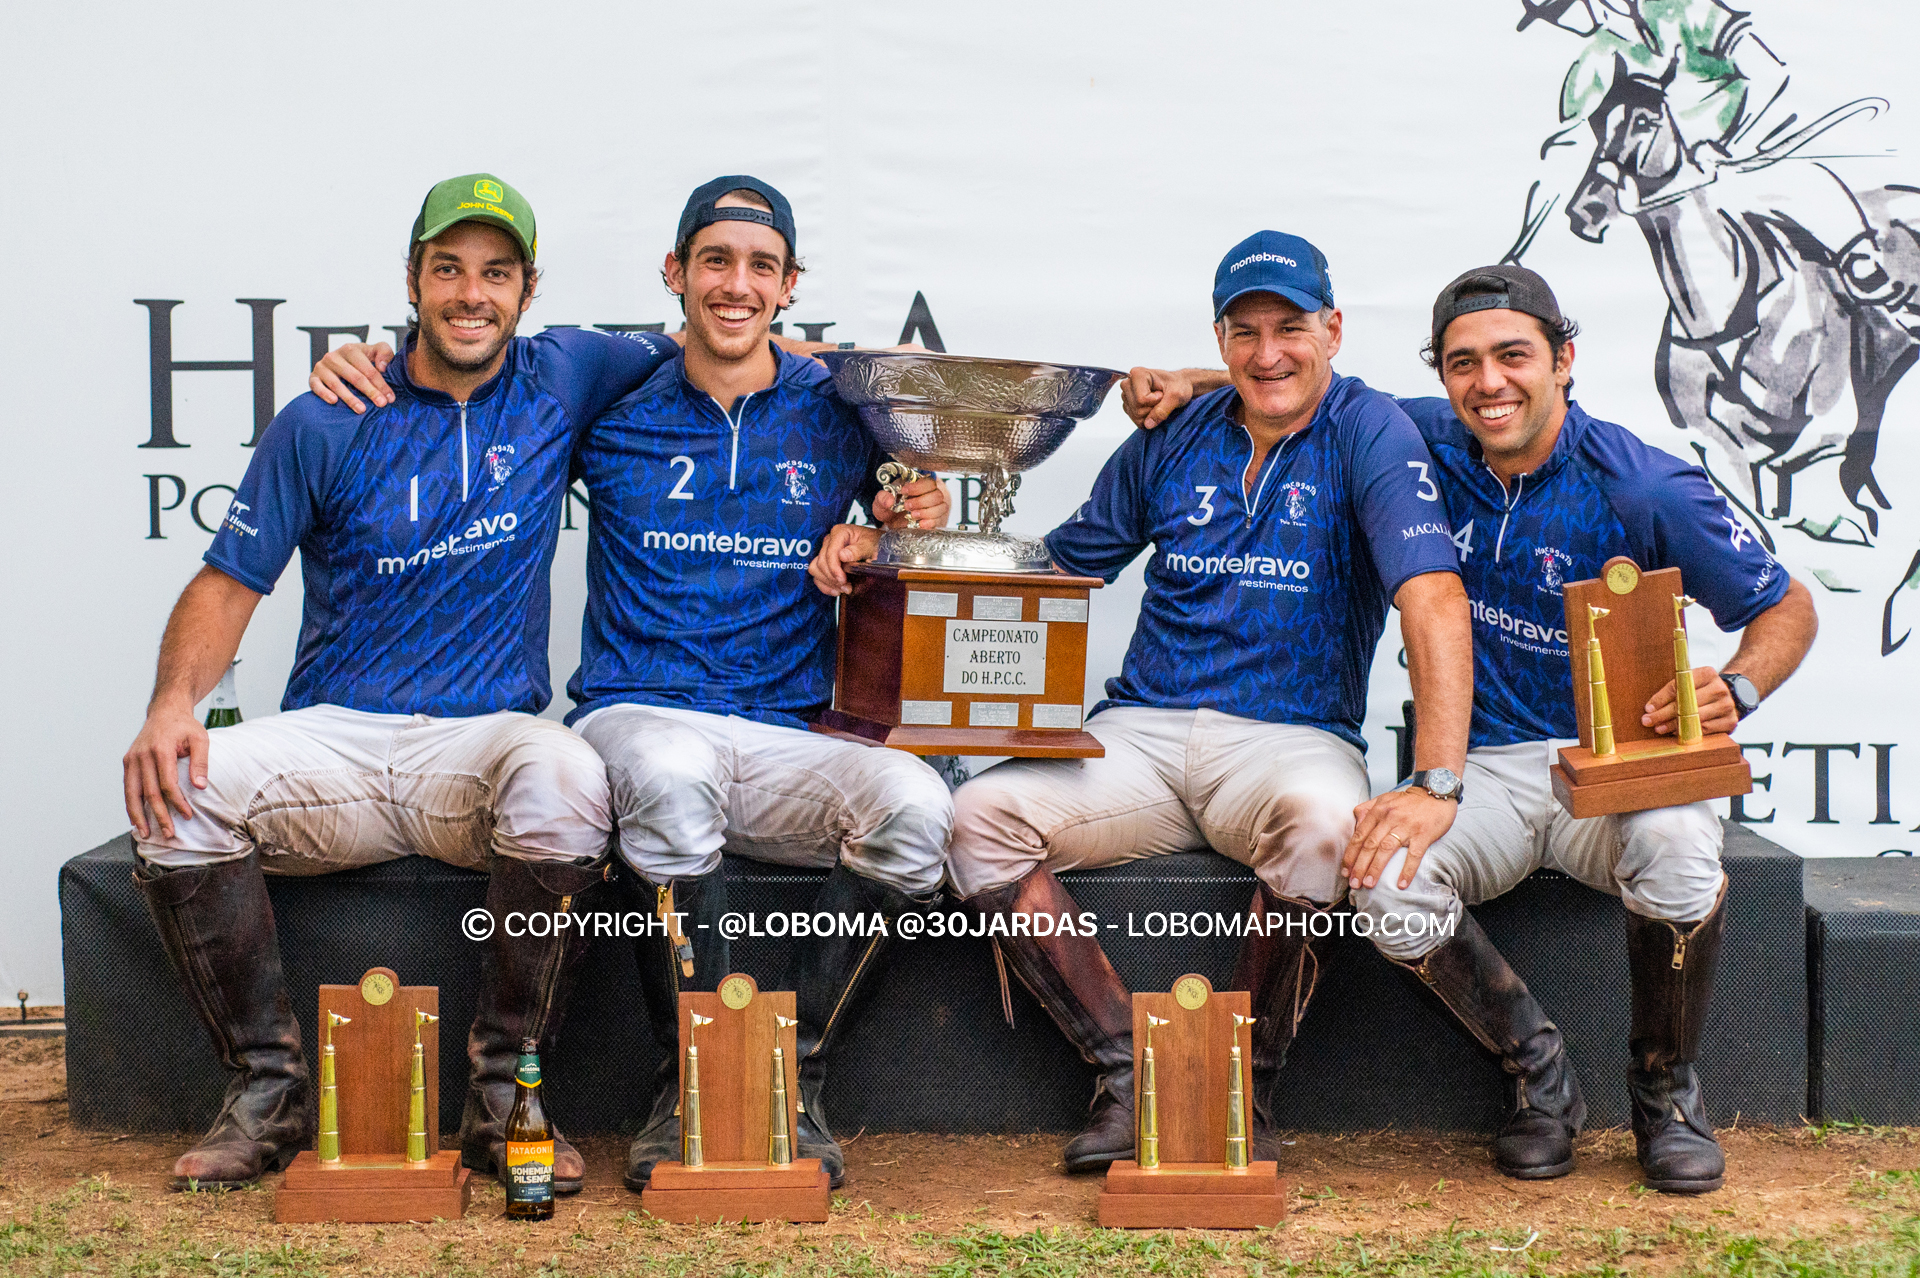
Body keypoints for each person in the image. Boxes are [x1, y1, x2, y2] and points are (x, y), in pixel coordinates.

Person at [1128, 263, 1818, 1195]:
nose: (1488, 383)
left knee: (1682, 844)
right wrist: (1189, 382)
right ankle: (1540, 1076)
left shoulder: (1646, 486)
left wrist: (1740, 684)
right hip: (1480, 770)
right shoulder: (1423, 439)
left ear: (1564, 359)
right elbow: (1306, 381)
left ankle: (1666, 1093)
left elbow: (1788, 610)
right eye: (1463, 363)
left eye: (1512, 356)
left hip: (1603, 772)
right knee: (1381, 878)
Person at [818, 230, 1472, 1173]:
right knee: (977, 819)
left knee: (1331, 825)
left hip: (1289, 737)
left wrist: (1436, 780)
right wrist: (912, 554)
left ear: (1335, 329)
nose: (1267, 352)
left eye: (1291, 327)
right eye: (1243, 333)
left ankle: (1241, 1088)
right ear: (1219, 336)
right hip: (1146, 730)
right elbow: (1063, 563)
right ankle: (1131, 1071)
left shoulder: (1371, 430)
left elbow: (1431, 599)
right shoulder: (1173, 436)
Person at [122, 174, 684, 1194]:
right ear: (414, 280)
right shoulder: (331, 412)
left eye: (496, 273)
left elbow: (735, 348)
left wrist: (872, 393)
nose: (472, 294)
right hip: (338, 737)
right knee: (177, 795)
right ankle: (268, 1092)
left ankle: (506, 1095)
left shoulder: (566, 375)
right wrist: (171, 708)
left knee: (569, 776)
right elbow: (229, 581)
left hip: (477, 744)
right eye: (449, 270)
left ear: (528, 287)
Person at [566, 176, 951, 1192]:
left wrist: (883, 520)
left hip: (786, 725)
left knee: (917, 808)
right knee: (674, 776)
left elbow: (928, 494)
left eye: (761, 266)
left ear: (789, 286)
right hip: (640, 708)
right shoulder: (609, 402)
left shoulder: (840, 404)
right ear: (676, 271)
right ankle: (691, 1082)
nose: (737, 284)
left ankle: (788, 1071)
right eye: (716, 260)